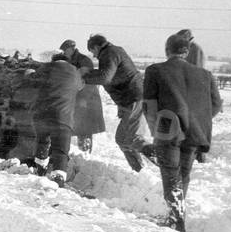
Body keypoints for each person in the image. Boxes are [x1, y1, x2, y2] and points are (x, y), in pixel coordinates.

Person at [143, 33, 222, 232]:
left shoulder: (156, 70)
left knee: (170, 173)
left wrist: (156, 129)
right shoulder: (205, 75)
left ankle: (176, 220)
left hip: (168, 130)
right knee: (183, 174)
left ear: (167, 50)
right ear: (186, 52)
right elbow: (216, 105)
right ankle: (176, 215)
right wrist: (196, 118)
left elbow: (149, 105)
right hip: (195, 132)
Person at [84, 34, 157, 172]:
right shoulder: (113, 52)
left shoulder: (109, 53)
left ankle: (158, 154)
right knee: (122, 138)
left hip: (134, 98)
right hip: (130, 99)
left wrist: (84, 78)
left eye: (92, 51)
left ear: (97, 46)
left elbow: (105, 77)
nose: (93, 56)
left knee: (129, 137)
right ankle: (139, 170)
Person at [29, 57, 83, 187]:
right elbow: (80, 86)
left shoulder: (46, 67)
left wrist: (30, 73)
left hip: (42, 116)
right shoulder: (75, 72)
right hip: (62, 118)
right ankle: (58, 179)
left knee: (42, 142)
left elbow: (33, 80)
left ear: (54, 61)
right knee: (61, 150)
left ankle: (40, 170)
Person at [57, 39, 105, 152]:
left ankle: (85, 154)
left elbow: (83, 79)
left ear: (71, 49)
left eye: (65, 50)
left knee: (85, 127)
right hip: (77, 96)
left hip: (87, 97)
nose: (64, 52)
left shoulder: (84, 60)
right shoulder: (70, 60)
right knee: (78, 126)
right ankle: (81, 153)